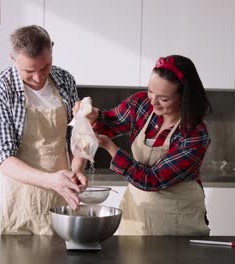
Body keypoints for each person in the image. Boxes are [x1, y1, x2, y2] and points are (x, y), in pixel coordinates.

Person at [79, 55, 212, 235]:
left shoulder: (194, 134)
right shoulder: (141, 104)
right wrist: (94, 116)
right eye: (150, 91)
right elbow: (109, 122)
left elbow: (152, 179)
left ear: (184, 97)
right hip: (137, 219)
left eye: (163, 99)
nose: (153, 102)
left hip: (177, 225)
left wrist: (111, 148)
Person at [0, 25, 87, 235]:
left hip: (61, 196)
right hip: (17, 200)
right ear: (13, 59)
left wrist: (77, 168)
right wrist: (50, 180)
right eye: (29, 71)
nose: (38, 78)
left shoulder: (65, 80)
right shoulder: (0, 90)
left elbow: (77, 133)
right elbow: (3, 158)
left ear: (52, 51)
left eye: (45, 67)